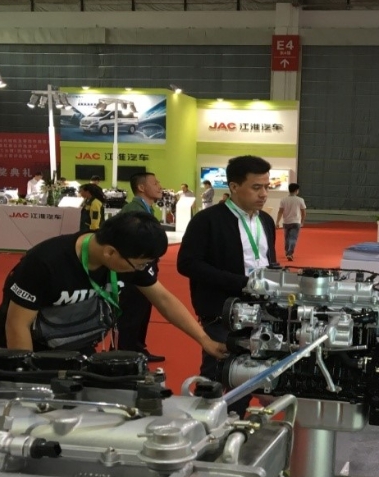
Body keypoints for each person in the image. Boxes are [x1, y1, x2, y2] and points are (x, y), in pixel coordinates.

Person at [0, 212, 227, 363]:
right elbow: (17, 324)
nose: (141, 269)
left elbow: (163, 299)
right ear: (110, 252)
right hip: (22, 348)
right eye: (140, 264)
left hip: (74, 347)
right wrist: (26, 375)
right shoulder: (45, 262)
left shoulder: (126, 257)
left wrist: (204, 339)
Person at [177, 155, 278, 403]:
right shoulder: (207, 220)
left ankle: (237, 420)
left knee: (249, 374)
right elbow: (187, 264)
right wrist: (241, 282)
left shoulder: (265, 220)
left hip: (261, 311)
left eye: (267, 187)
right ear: (234, 186)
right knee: (216, 375)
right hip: (222, 313)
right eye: (256, 187)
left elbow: (268, 260)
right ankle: (204, 422)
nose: (264, 194)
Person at [114, 172, 165, 362]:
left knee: (142, 310)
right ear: (142, 187)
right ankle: (126, 353)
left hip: (145, 267)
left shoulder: (146, 209)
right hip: (133, 270)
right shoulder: (133, 211)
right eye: (155, 183)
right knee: (132, 312)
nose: (159, 186)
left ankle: (137, 349)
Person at [276, 183, 307, 262]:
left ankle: (287, 251)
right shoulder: (300, 200)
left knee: (287, 238)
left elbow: (280, 211)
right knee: (293, 238)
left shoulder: (283, 199)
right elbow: (303, 212)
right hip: (296, 221)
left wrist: (277, 222)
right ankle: (290, 253)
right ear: (296, 190)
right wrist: (302, 222)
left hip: (286, 222)